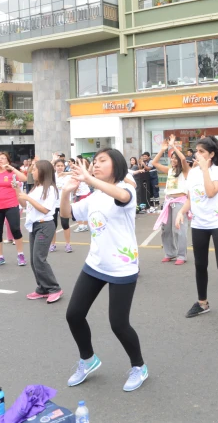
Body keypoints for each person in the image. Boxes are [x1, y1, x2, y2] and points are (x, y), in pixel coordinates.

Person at [61, 150, 148, 392]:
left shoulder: (125, 189)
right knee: (74, 314)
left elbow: (121, 196)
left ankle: (139, 366)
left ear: (116, 165)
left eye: (102, 161)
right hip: (95, 264)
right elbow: (67, 214)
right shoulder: (95, 196)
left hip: (122, 267)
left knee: (118, 324)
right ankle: (88, 359)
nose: (95, 164)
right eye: (94, 161)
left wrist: (88, 179)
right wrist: (66, 191)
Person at [175, 137, 218, 325]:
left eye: (202, 152)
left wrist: (205, 170)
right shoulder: (193, 173)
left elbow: (211, 192)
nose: (198, 155)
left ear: (212, 154)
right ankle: (202, 303)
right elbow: (192, 198)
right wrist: (181, 211)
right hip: (199, 224)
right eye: (197, 151)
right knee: (200, 264)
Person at [18, 160, 62, 304]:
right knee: (34, 260)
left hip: (45, 225)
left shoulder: (50, 189)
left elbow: (45, 209)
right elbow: (25, 204)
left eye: (35, 169)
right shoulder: (36, 188)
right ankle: (43, 288)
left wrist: (27, 198)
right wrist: (18, 193)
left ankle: (54, 288)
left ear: (43, 171)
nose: (32, 172)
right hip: (34, 225)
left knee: (39, 258)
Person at [151, 135, 190, 265]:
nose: (173, 160)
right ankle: (170, 253)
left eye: (175, 158)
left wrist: (173, 146)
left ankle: (181, 255)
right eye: (172, 157)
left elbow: (183, 158)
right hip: (168, 201)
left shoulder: (185, 170)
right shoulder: (169, 170)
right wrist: (162, 149)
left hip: (180, 202)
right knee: (165, 229)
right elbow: (154, 163)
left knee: (179, 229)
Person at [50, 158, 73, 253]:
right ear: (54, 167)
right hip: (53, 204)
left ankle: (68, 244)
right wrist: (52, 160)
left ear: (65, 167)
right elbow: (45, 170)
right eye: (58, 166)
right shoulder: (52, 176)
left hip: (64, 203)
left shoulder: (68, 176)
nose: (60, 168)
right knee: (53, 225)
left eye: (62, 166)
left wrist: (66, 173)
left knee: (65, 224)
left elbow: (78, 173)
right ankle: (52, 244)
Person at [73, 158, 92, 232]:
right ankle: (84, 225)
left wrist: (74, 191)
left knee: (77, 210)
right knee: (86, 210)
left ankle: (81, 226)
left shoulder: (81, 173)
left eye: (77, 163)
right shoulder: (85, 172)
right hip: (86, 193)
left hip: (81, 194)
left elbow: (77, 184)